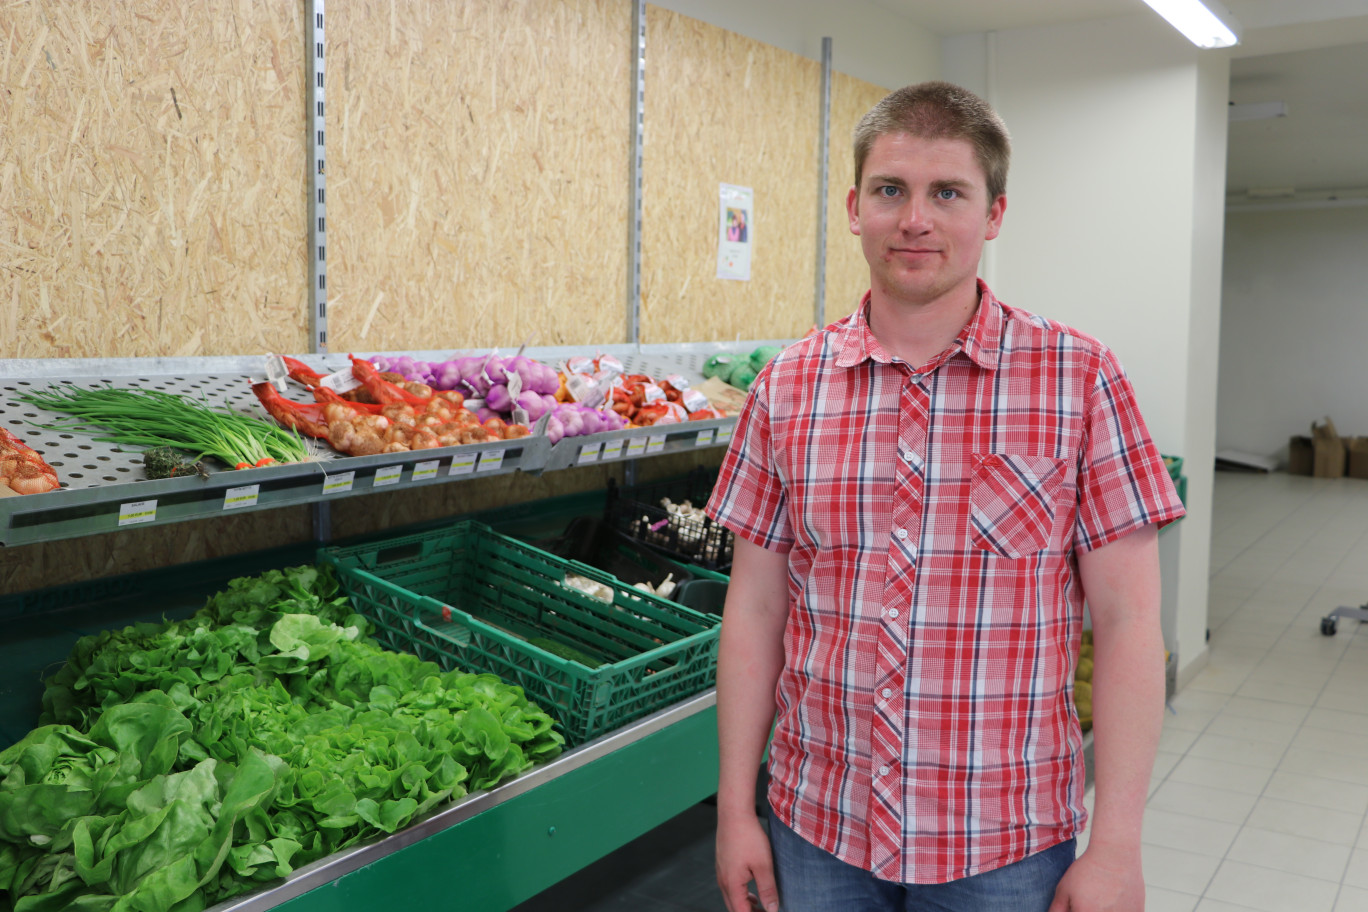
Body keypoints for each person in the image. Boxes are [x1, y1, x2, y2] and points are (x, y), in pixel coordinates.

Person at [705, 81, 1184, 912]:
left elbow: (1131, 626)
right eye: (891, 190)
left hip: (1004, 842)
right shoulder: (786, 387)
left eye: (948, 193)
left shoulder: (1079, 379)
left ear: (994, 214)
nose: (914, 219)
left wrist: (1116, 848)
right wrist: (733, 810)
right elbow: (753, 612)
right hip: (818, 825)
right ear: (856, 206)